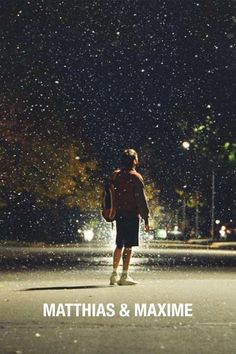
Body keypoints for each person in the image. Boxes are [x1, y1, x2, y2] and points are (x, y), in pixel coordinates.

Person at [109, 148, 150, 286]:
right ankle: (124, 275)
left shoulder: (115, 175)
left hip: (119, 214)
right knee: (128, 246)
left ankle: (114, 273)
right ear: (134, 161)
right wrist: (146, 218)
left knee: (119, 244)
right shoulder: (135, 177)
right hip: (132, 214)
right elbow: (141, 200)